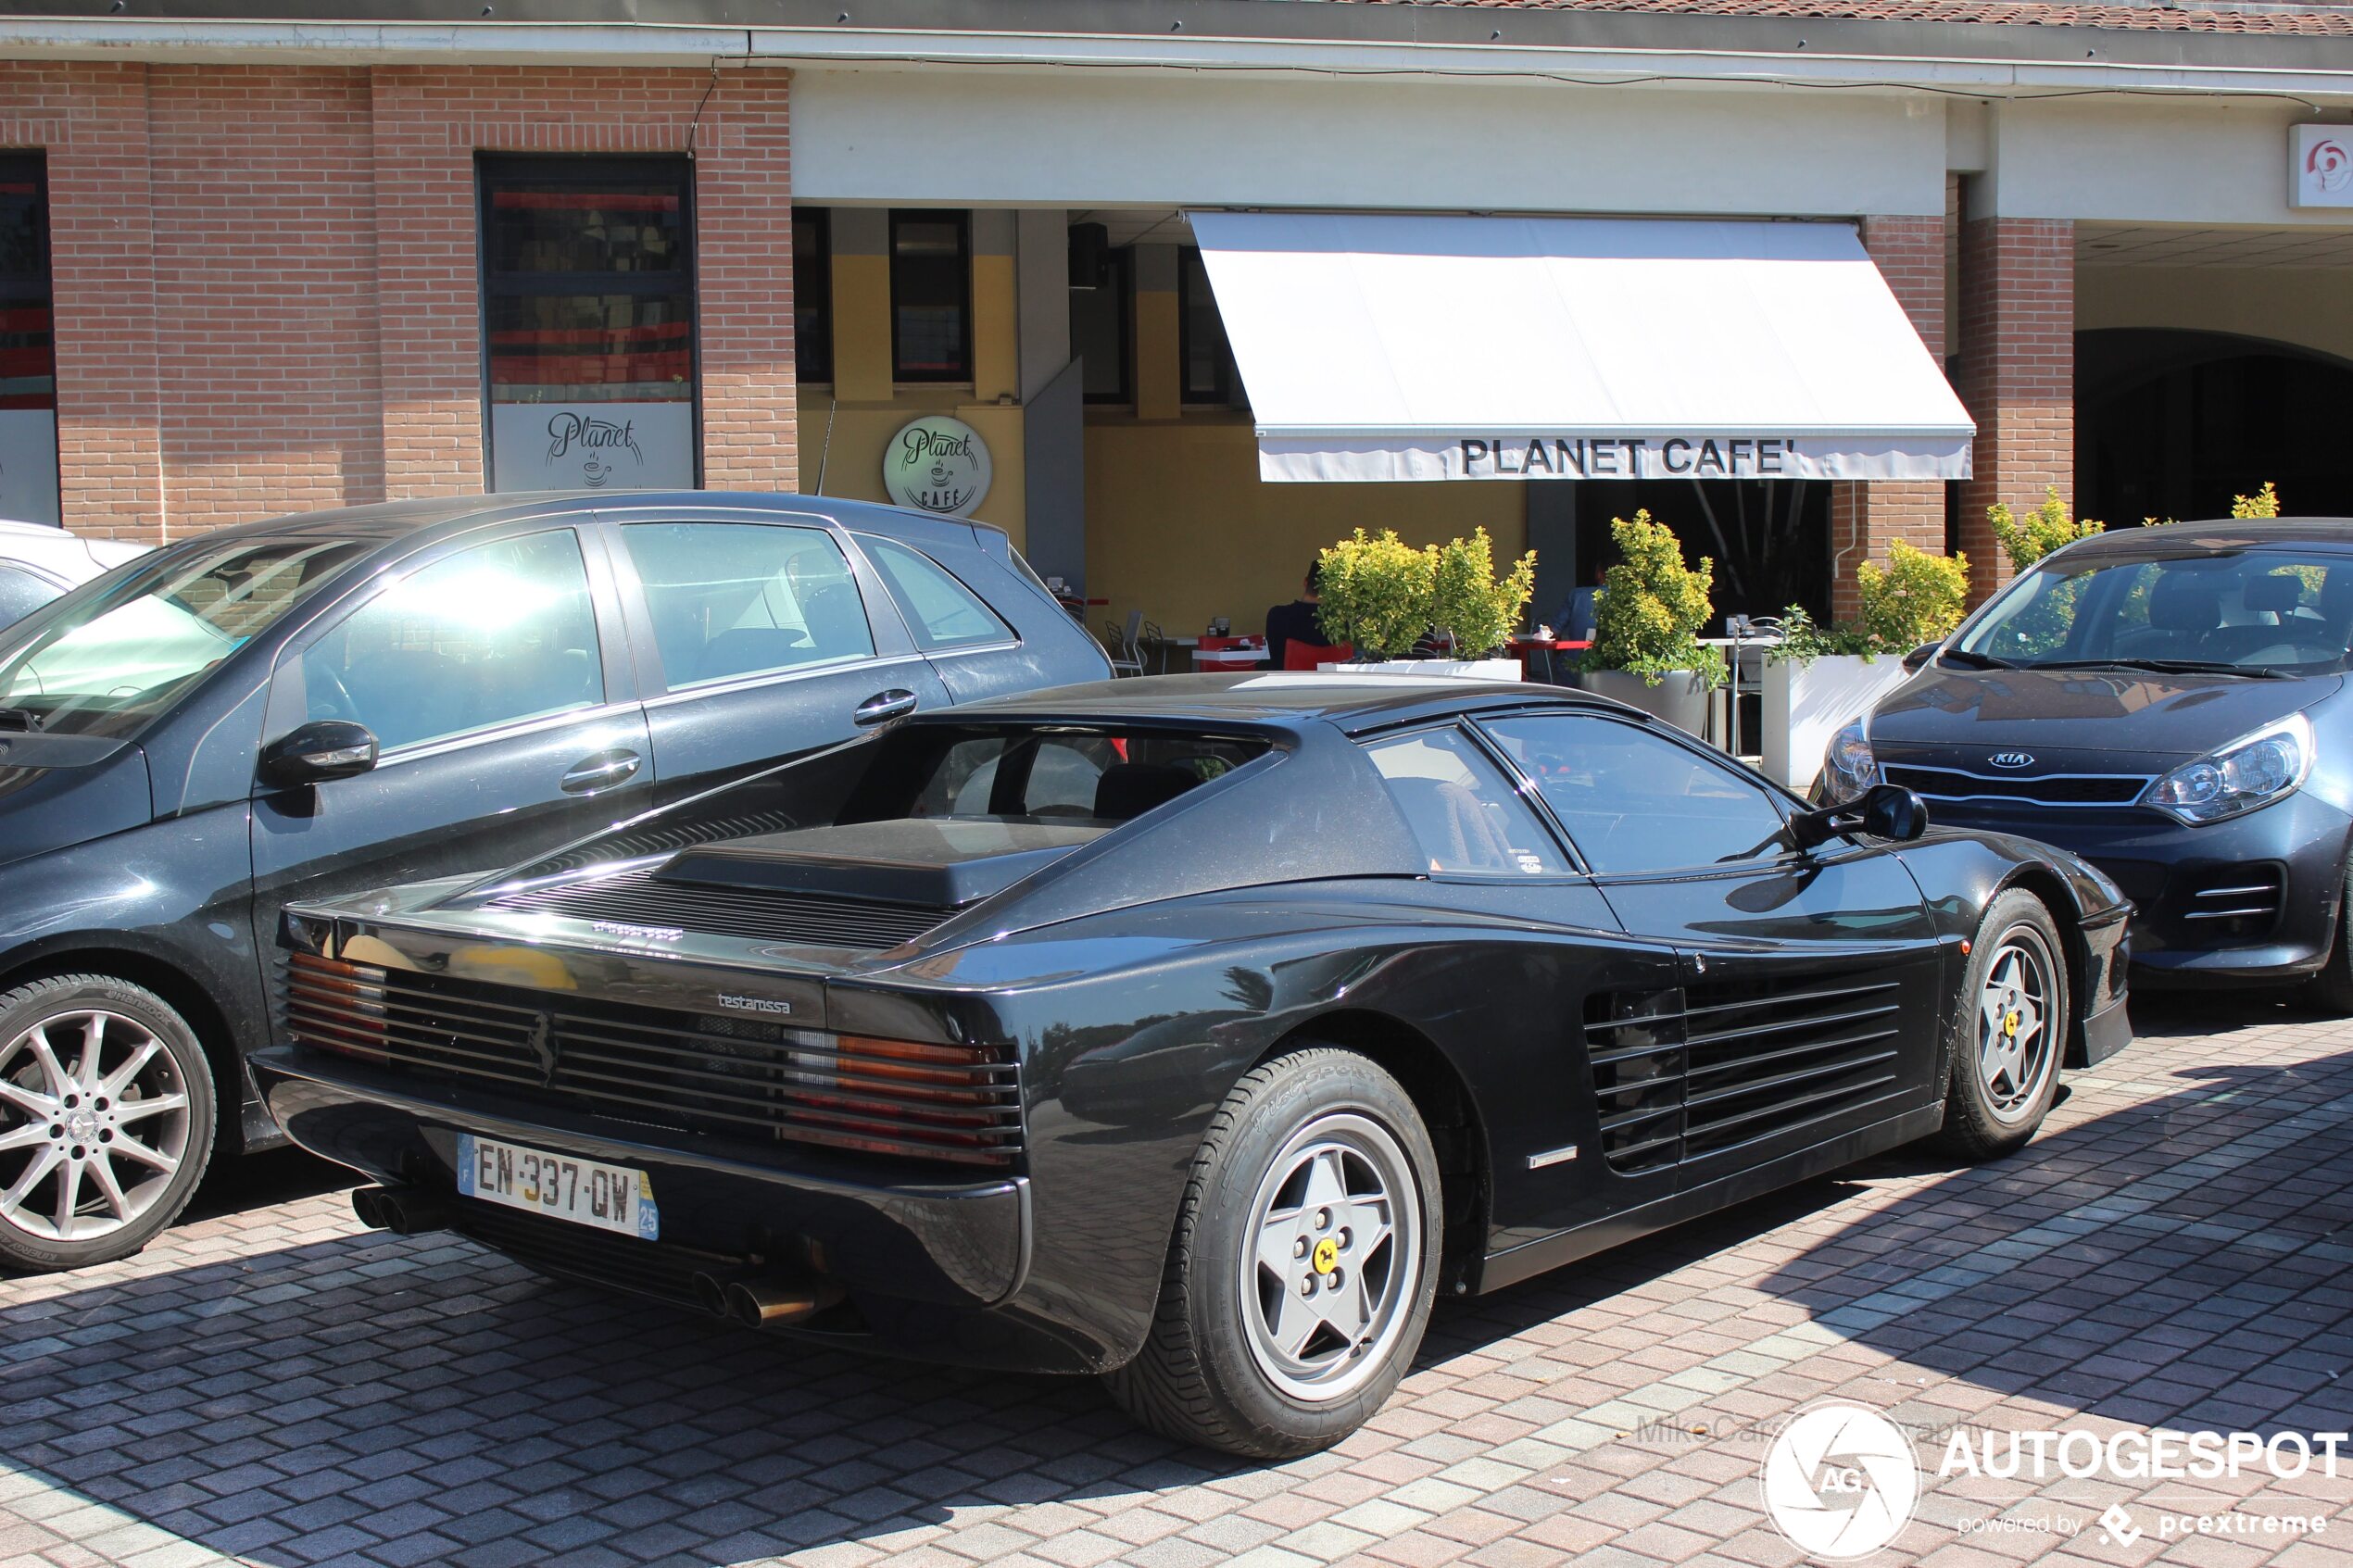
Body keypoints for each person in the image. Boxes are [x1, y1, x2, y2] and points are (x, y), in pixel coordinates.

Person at [1264, 560, 1325, 668]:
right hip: (1329, 683)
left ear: (1305, 582)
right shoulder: (1339, 626)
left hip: (1285, 682)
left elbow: (1273, 660)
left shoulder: (1277, 616)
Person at [1554, 562, 1608, 642]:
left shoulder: (1576, 595)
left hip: (1578, 653)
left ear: (1598, 574)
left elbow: (1554, 632)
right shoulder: (1625, 598)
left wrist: (1557, 653)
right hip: (1615, 653)